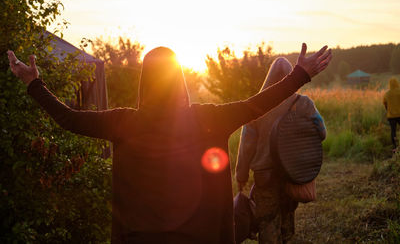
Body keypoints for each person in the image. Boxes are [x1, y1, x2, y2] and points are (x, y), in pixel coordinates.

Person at [8, 43, 331, 244]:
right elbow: (256, 104)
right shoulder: (207, 118)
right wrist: (300, 74)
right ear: (179, 79)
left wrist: (33, 83)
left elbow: (69, 118)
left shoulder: (123, 123)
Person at [235, 57, 326, 244]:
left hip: (264, 176)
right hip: (292, 175)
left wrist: (241, 175)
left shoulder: (256, 108)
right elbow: (322, 133)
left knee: (268, 222)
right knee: (287, 216)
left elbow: (247, 145)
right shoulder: (304, 103)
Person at [383, 77, 400, 152]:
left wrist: (389, 111)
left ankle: (395, 146)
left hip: (391, 116)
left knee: (393, 131)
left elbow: (385, 104)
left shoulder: (387, 94)